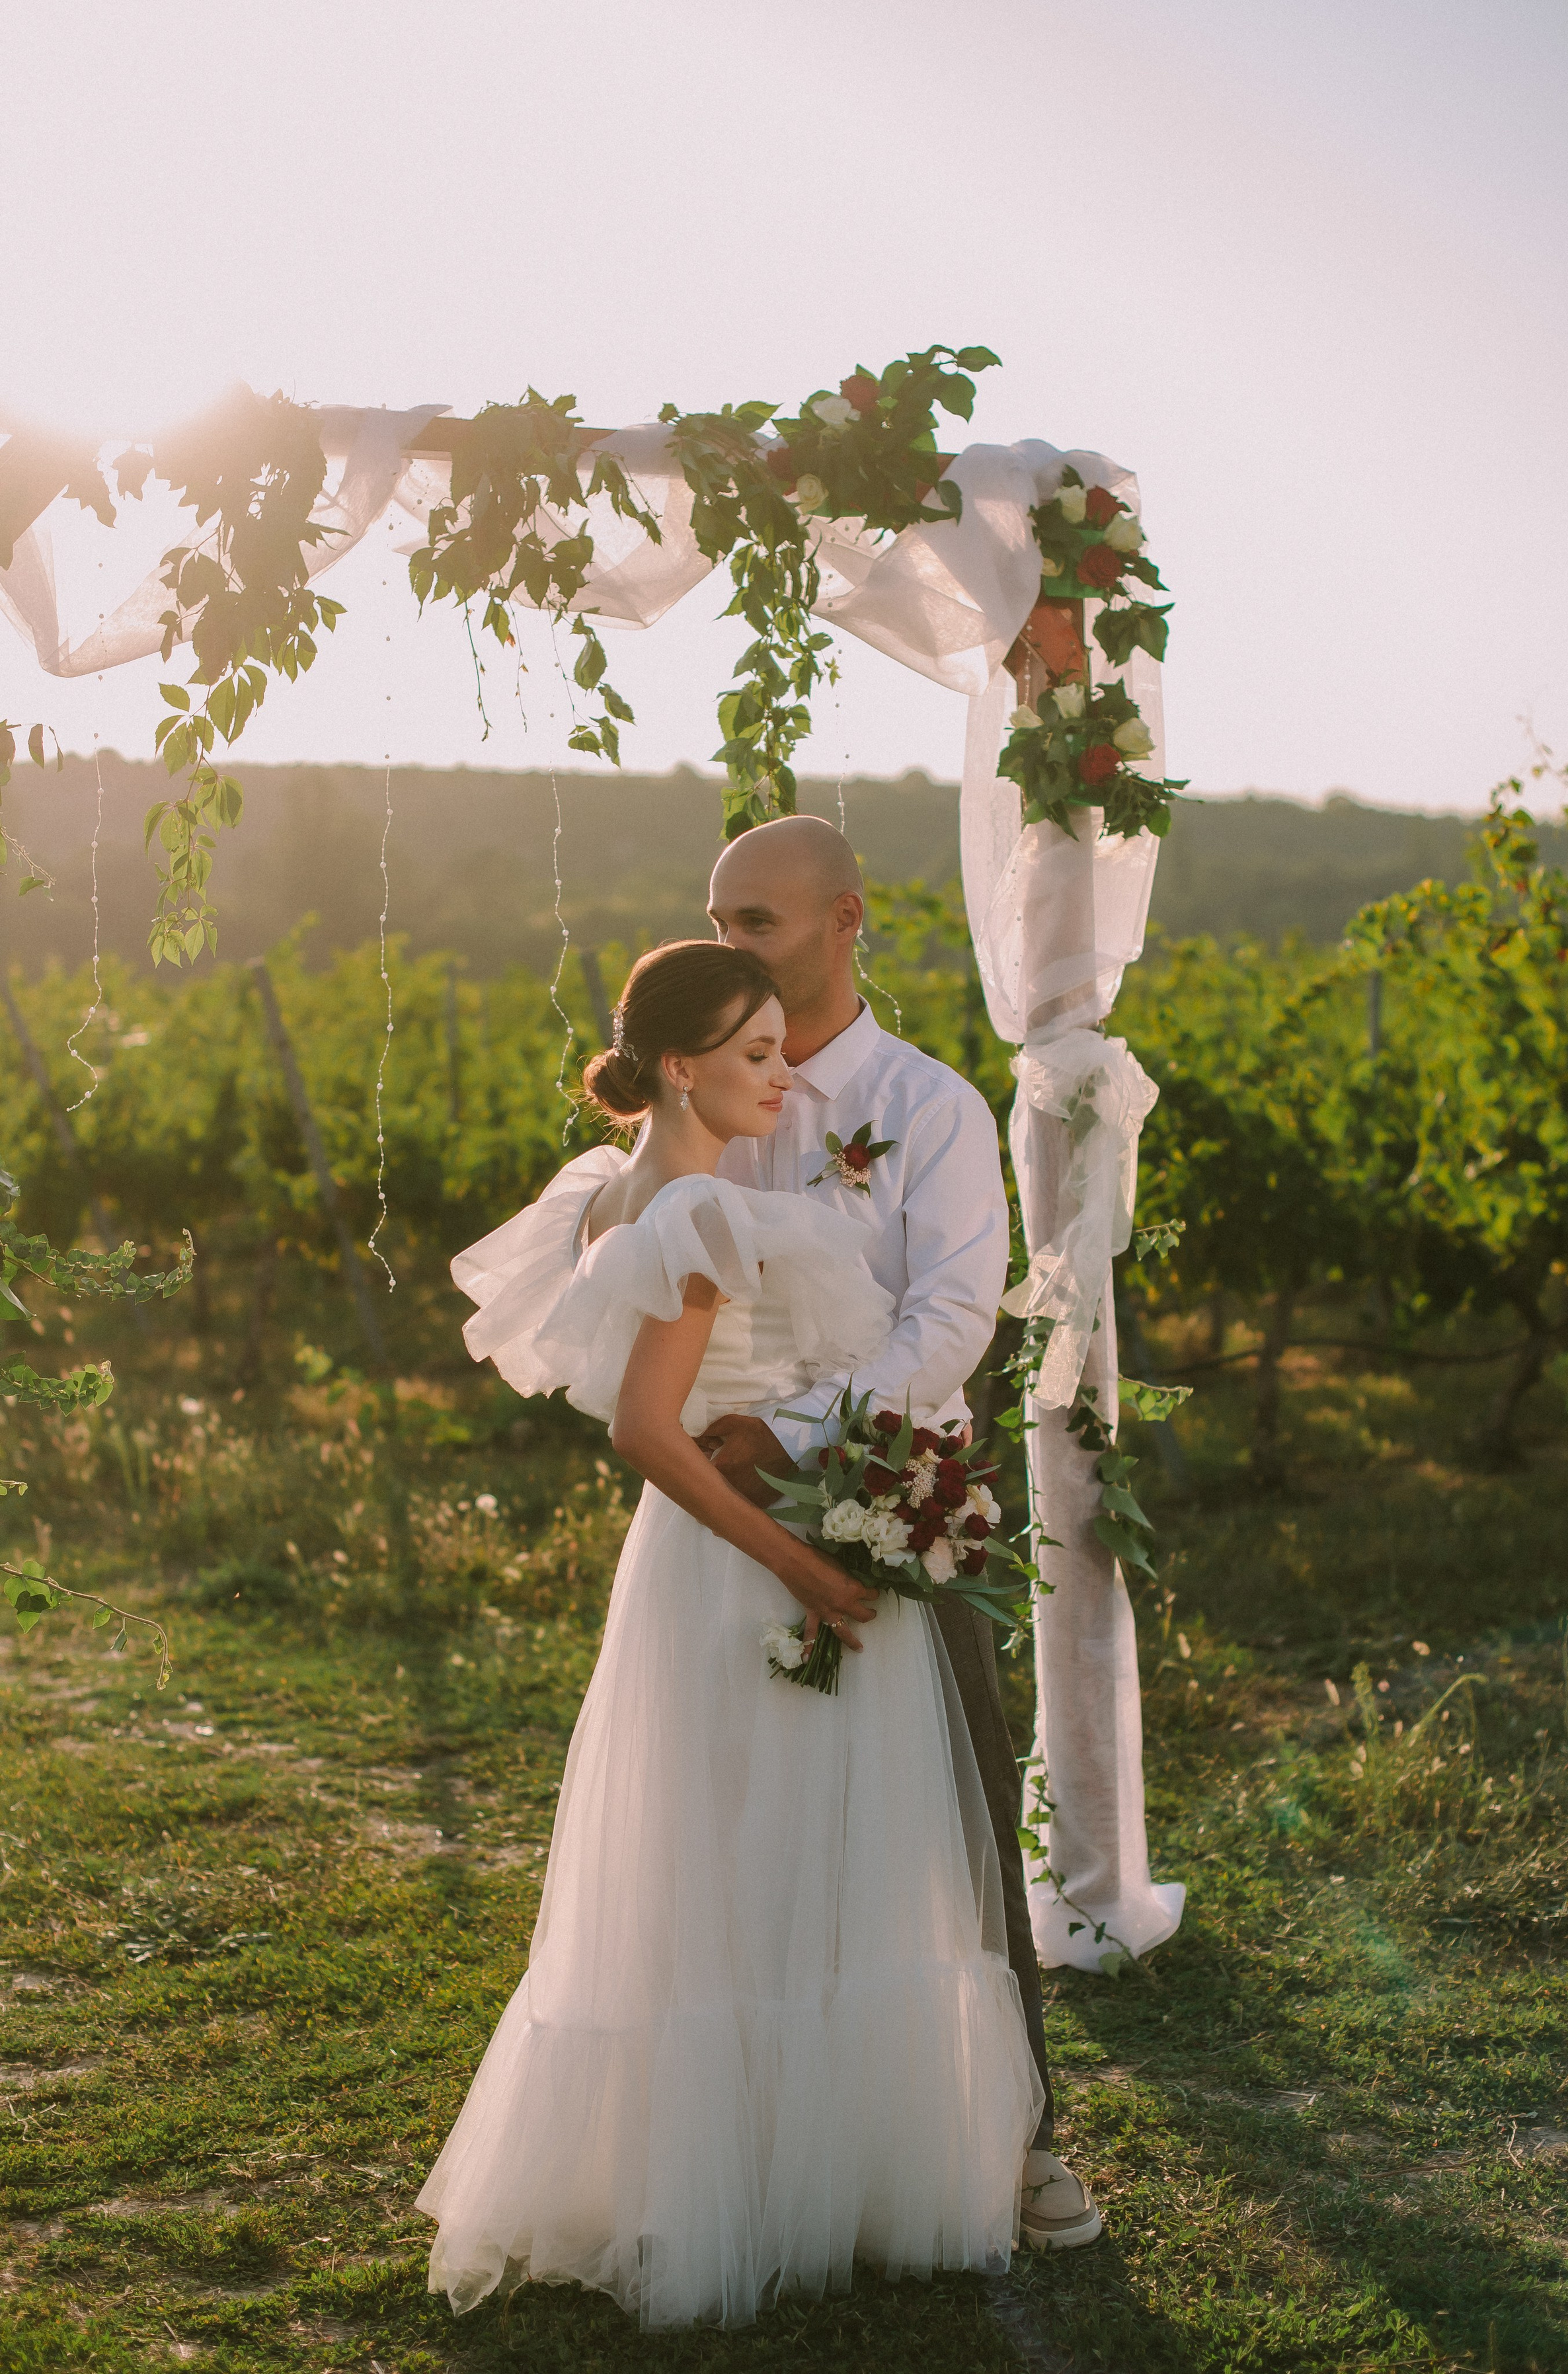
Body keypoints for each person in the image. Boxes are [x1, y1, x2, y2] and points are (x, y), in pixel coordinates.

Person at [418, 939, 1042, 2330]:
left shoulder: (616, 1189)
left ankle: (748, 2159)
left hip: (703, 1556)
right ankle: (774, 2178)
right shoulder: (695, 1207)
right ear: (681, 1067)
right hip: (744, 1551)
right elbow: (649, 1430)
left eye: (781, 1049)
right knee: (789, 1853)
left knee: (723, 1863)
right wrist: (807, 1568)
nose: (781, 1076)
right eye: (755, 1055)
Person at [703, 815, 1101, 2251]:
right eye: (717, 921)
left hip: (896, 1486)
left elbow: (951, 1318)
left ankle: (1022, 2134)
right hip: (718, 1502)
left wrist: (805, 1434)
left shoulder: (926, 1104)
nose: (731, 946)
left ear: (844, 918)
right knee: (734, 1812)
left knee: (954, 1812)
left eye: (756, 921)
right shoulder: (705, 1095)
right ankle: (761, 2132)